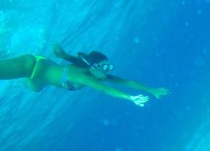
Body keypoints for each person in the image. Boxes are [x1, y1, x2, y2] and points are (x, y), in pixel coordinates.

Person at [0, 44, 170, 107]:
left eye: (109, 67)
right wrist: (130, 98)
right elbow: (104, 90)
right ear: (93, 67)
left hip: (38, 75)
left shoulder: (97, 74)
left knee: (35, 88)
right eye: (104, 67)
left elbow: (126, 81)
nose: (107, 71)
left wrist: (153, 90)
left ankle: (4, 52)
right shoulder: (83, 76)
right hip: (31, 66)